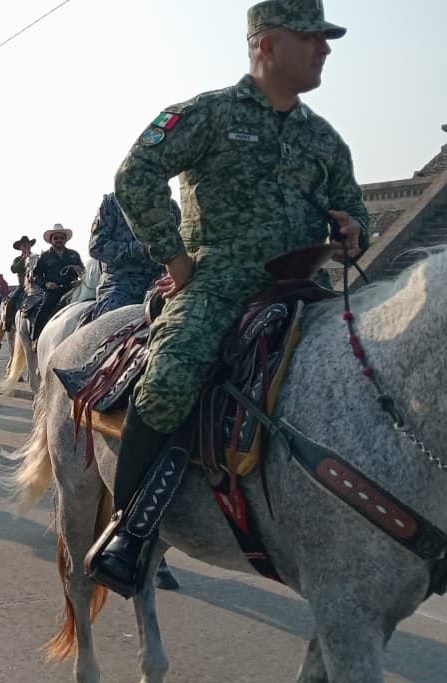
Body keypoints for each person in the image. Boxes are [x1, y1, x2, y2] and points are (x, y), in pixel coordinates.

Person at [89, 0, 368, 596]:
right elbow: (135, 174)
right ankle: (130, 531)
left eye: (325, 38)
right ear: (267, 44)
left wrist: (353, 231)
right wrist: (174, 256)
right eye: (310, 37)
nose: (324, 48)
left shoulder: (325, 139)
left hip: (306, 286)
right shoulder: (208, 114)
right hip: (219, 282)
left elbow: (353, 206)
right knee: (169, 379)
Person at [77, 192, 182, 327]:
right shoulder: (112, 203)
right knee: (109, 324)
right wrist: (141, 249)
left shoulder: (171, 207)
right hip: (120, 284)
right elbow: (97, 247)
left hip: (160, 283)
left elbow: (181, 249)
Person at [27, 224, 83, 341]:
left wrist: (80, 270)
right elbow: (36, 274)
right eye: (56, 238)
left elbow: (83, 271)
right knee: (44, 309)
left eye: (61, 238)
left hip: (73, 288)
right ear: (51, 240)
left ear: (65, 240)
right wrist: (46, 284)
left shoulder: (74, 255)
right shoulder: (45, 256)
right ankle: (35, 338)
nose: (59, 240)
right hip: (54, 290)